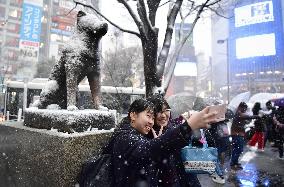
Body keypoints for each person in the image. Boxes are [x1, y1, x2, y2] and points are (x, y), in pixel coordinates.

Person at [110, 98, 218, 186]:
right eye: (149, 116)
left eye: (152, 118)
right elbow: (148, 150)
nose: (151, 122)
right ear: (133, 115)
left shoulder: (140, 134)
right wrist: (188, 126)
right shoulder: (125, 137)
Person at [147, 95, 202, 186]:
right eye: (159, 112)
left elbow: (196, 143)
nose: (164, 115)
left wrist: (192, 129)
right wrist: (157, 144)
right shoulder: (146, 134)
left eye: (166, 110)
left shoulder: (174, 127)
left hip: (186, 178)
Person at [230, 102, 259, 170]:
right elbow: (247, 117)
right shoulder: (239, 113)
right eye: (245, 108)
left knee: (236, 150)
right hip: (237, 134)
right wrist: (256, 116)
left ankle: (235, 162)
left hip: (238, 134)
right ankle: (233, 164)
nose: (245, 110)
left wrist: (249, 120)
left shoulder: (239, 113)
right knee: (239, 149)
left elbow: (246, 120)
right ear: (241, 107)